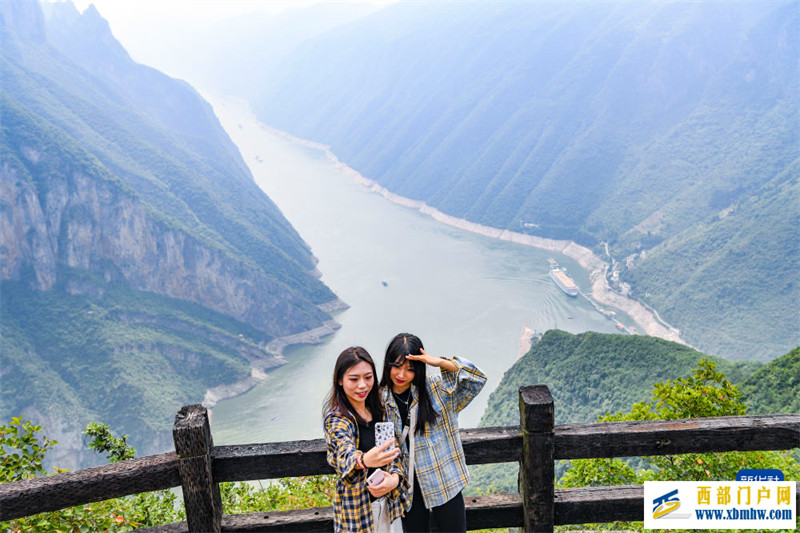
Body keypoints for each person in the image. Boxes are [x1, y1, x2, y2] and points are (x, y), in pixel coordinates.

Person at [379, 333, 487, 532]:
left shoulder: (436, 390)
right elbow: (383, 452)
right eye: (397, 366)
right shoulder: (380, 402)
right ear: (388, 365)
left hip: (444, 481)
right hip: (407, 490)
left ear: (419, 368)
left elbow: (477, 379)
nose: (401, 375)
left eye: (410, 369)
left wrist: (440, 362)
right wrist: (393, 496)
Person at [324, 346, 405, 532]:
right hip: (357, 514)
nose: (362, 385)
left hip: (389, 507)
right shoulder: (337, 419)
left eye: (368, 378)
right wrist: (364, 460)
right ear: (340, 380)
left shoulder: (381, 411)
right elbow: (344, 455)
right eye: (354, 379)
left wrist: (394, 480)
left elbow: (395, 455)